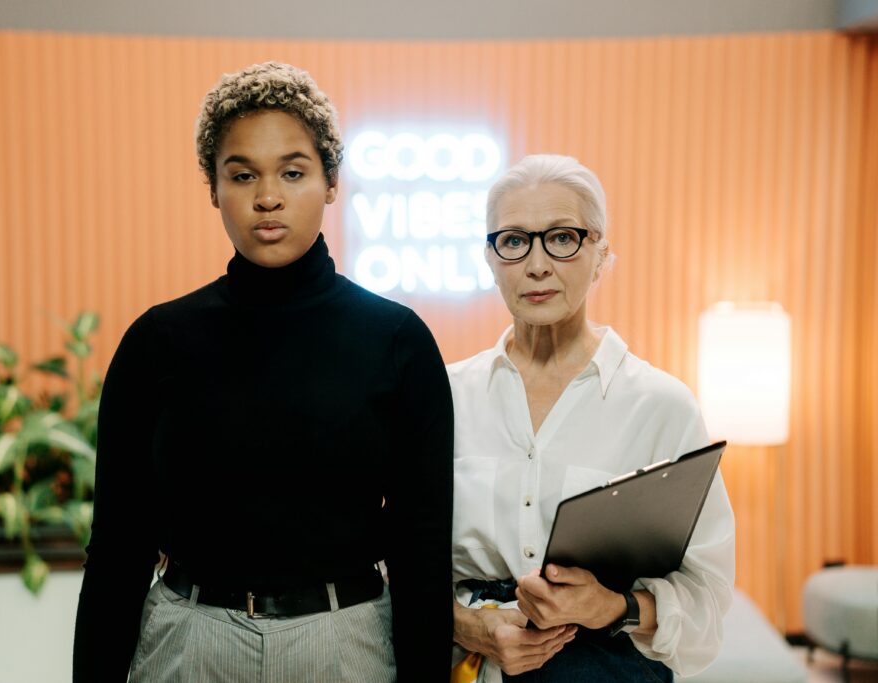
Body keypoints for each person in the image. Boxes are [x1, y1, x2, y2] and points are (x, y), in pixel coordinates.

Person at [72, 62, 454, 683]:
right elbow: (118, 544)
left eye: (293, 172)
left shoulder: (396, 341)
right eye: (242, 173)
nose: (267, 196)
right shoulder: (157, 342)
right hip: (189, 641)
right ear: (213, 186)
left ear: (331, 182)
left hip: (345, 641)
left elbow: (421, 545)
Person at [448, 154, 735, 682]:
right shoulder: (446, 396)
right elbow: (392, 565)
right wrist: (468, 625)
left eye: (562, 238)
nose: (537, 265)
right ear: (490, 260)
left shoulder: (661, 406)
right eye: (513, 241)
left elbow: (707, 601)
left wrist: (612, 607)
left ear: (601, 254)